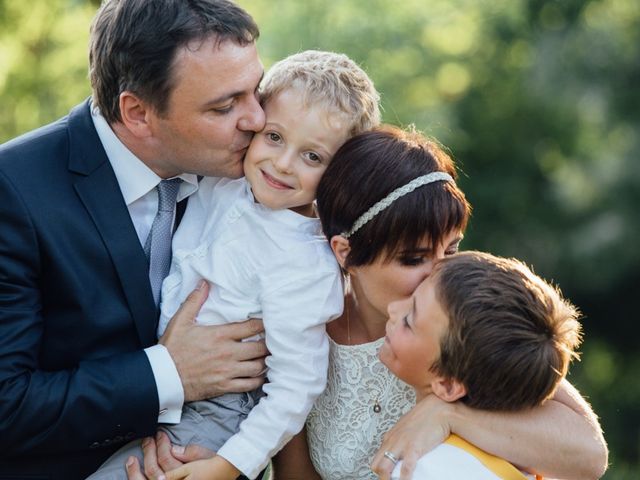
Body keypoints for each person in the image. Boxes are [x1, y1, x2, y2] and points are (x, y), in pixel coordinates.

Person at [0, 1, 271, 478]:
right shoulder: (13, 191)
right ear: (138, 113)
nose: (256, 119)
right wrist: (170, 375)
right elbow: (7, 405)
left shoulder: (258, 174)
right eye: (225, 106)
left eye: (257, 89)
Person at [89, 49, 381, 480]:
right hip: (152, 369)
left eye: (313, 157)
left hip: (219, 410)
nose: (282, 164)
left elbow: (294, 389)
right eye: (275, 137)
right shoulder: (225, 183)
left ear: (340, 174)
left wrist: (230, 465)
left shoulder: (306, 265)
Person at [271, 126, 607, 480]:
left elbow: (588, 454)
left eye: (451, 249)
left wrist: (450, 416)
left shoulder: (466, 314)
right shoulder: (301, 332)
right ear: (347, 253)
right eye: (413, 259)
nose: (439, 274)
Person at [379, 250, 583, 479]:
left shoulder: (420, 469)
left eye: (409, 321)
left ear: (447, 385)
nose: (393, 309)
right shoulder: (536, 464)